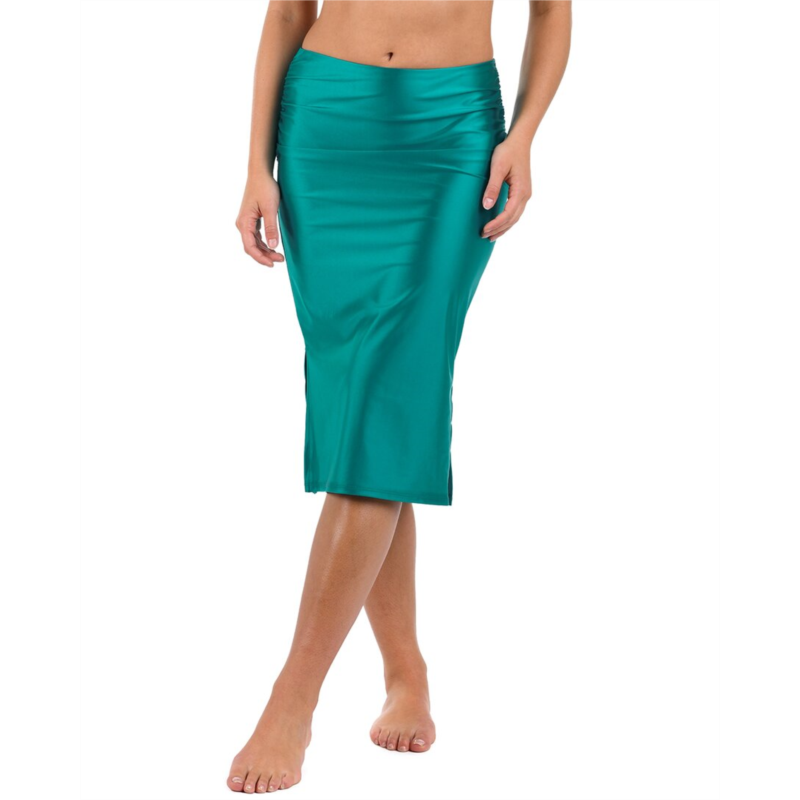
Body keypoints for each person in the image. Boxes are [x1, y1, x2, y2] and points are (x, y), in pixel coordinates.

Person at [231, 0, 571, 793]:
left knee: (383, 406)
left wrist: (524, 135)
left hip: (451, 135)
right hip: (326, 127)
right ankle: (405, 668)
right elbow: (288, 12)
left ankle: (293, 699)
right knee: (373, 418)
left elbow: (551, 9)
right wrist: (255, 165)